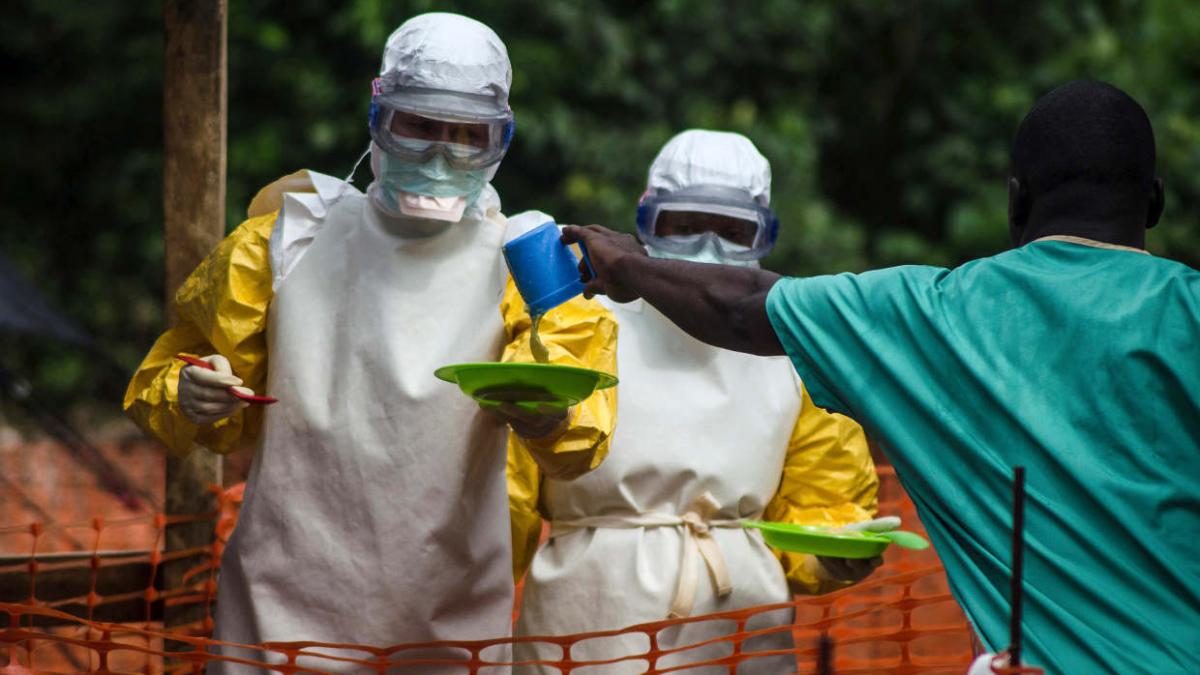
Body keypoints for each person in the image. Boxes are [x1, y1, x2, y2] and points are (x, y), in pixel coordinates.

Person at [560, 81, 1199, 674]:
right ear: (1155, 201)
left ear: (1015, 199)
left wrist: (625, 265)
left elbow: (741, 305)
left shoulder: (930, 316)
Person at [124, 13, 617, 673]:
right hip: (278, 614)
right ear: (379, 116)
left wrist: (555, 416)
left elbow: (579, 439)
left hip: (447, 624)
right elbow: (175, 385)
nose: (440, 155)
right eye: (419, 126)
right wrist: (187, 391)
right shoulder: (288, 238)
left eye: (466, 136)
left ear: (500, 139)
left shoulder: (525, 261)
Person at [508, 130, 883, 674]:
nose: (708, 247)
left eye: (734, 232)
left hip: (741, 629)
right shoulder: (583, 320)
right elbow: (509, 493)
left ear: (765, 236)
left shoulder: (789, 354)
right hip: (590, 624)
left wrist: (834, 550)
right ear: (645, 222)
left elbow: (823, 499)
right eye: (682, 226)